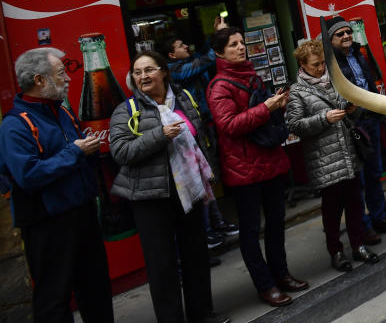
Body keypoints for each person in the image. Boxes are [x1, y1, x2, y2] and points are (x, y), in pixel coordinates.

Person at [109, 51, 229, 323]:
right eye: (137, 72)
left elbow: (201, 137)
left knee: (196, 256)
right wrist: (159, 135)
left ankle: (202, 314)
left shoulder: (184, 99)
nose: (143, 76)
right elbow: (120, 152)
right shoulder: (126, 110)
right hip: (151, 198)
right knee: (161, 266)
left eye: (149, 69)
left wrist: (211, 174)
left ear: (163, 71)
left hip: (189, 190)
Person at [0, 48, 114, 323]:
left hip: (82, 214)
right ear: (40, 80)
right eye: (61, 73)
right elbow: (27, 175)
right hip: (47, 223)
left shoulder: (62, 112)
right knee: (54, 299)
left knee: (96, 289)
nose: (68, 78)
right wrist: (75, 152)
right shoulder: (14, 125)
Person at [207, 27, 308, 308]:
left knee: (277, 224)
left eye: (241, 43)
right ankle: (265, 285)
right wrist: (266, 107)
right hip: (244, 171)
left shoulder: (253, 76)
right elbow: (228, 125)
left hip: (270, 162)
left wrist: (278, 105)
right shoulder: (218, 86)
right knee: (251, 231)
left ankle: (282, 274)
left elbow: (261, 116)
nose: (241, 48)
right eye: (233, 45)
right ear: (219, 52)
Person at [286, 40, 379, 272]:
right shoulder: (297, 92)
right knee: (332, 210)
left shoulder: (336, 81)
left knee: (355, 203)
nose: (320, 68)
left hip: (347, 153)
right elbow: (294, 125)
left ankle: (359, 246)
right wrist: (323, 119)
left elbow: (348, 114)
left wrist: (351, 109)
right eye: (315, 65)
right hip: (324, 159)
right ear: (302, 65)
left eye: (322, 64)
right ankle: (336, 252)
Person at [161, 17, 239, 252]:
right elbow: (206, 59)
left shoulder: (187, 62)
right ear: (171, 55)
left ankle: (217, 223)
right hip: (191, 131)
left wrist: (214, 37)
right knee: (202, 176)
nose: (187, 47)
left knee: (208, 175)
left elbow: (203, 54)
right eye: (181, 46)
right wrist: (222, 43)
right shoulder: (175, 70)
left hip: (205, 126)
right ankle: (208, 230)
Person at [328, 16, 386, 245]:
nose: (345, 36)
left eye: (348, 32)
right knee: (359, 179)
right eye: (339, 34)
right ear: (331, 39)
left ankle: (379, 217)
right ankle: (363, 226)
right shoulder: (332, 64)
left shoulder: (359, 55)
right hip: (353, 126)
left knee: (374, 173)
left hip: (371, 120)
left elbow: (369, 86)